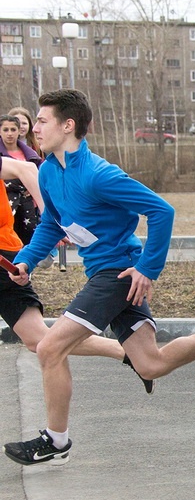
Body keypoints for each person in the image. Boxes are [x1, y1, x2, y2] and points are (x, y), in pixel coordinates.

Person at [3, 89, 195, 467]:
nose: (33, 128)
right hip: (108, 273)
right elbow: (53, 222)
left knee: (49, 348)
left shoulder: (99, 175)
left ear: (68, 126)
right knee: (150, 363)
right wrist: (26, 261)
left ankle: (56, 441)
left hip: (117, 274)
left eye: (41, 120)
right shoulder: (50, 170)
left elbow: (161, 210)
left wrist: (148, 268)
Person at [1, 155, 146, 382]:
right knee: (38, 341)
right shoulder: (55, 169)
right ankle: (129, 355)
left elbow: (27, 169)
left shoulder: (92, 173)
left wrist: (53, 217)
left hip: (5, 256)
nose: (37, 128)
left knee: (43, 342)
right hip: (14, 255)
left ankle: (134, 355)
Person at [2, 114, 43, 250]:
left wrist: (50, 216)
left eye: (13, 129)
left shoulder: (31, 155)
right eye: (5, 129)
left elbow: (30, 170)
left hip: (27, 209)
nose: (9, 134)